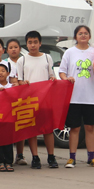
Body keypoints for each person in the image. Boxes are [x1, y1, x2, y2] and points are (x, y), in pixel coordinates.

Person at [59, 25, 94, 169]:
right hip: (74, 97)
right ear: (75, 37)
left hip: (91, 96)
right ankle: (72, 158)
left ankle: (91, 158)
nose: (83, 36)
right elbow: (62, 72)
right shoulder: (70, 53)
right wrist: (67, 78)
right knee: (75, 128)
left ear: (89, 36)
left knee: (90, 127)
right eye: (80, 33)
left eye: (86, 33)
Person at [17, 31, 58, 169]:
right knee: (32, 130)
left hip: (46, 99)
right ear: (26, 44)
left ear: (40, 43)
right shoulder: (22, 60)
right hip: (29, 100)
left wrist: (52, 79)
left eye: (35, 42)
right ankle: (35, 157)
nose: (33, 45)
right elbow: (19, 81)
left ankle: (51, 157)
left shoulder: (47, 58)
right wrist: (22, 83)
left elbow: (52, 77)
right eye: (30, 42)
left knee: (48, 129)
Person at [0, 64, 15, 172]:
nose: (1, 73)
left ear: (8, 73)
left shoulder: (12, 87)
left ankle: (9, 162)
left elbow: (15, 99)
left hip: (9, 116)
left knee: (9, 140)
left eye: (3, 71)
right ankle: (0, 161)